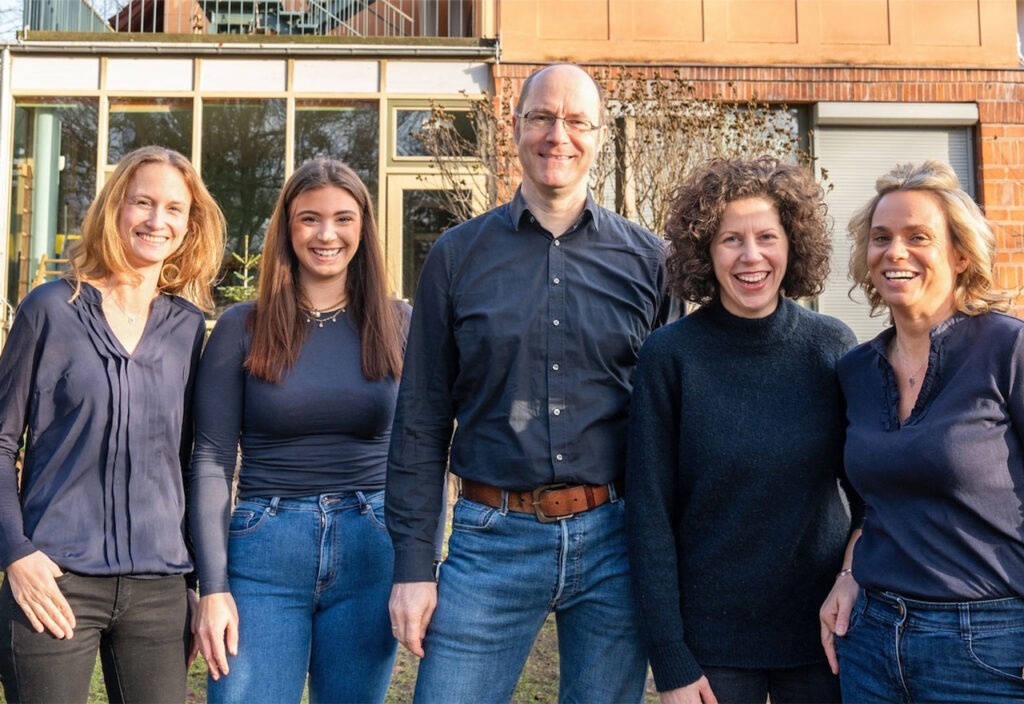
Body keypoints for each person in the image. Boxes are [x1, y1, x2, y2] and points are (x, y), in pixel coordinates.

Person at [386, 63, 667, 703]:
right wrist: (412, 567)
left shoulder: (649, 261)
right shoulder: (456, 257)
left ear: (600, 136)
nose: (556, 135)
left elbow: (668, 420)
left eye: (575, 121)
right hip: (492, 539)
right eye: (541, 117)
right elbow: (422, 419)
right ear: (514, 128)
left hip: (615, 541)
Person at [626, 157, 860, 704]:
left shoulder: (832, 347)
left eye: (766, 237)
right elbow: (649, 514)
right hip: (711, 651)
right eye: (731, 239)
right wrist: (671, 658)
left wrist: (851, 576)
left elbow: (868, 497)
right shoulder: (670, 355)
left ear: (792, 245)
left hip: (823, 637)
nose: (751, 257)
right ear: (705, 251)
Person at [0, 145, 225, 703]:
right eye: (142, 202)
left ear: (189, 224)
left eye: (175, 209)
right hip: (54, 580)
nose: (157, 220)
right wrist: (15, 553)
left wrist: (194, 583)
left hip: (159, 589)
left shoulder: (188, 327)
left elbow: (192, 458)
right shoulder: (49, 309)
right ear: (114, 208)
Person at [189, 159, 408, 704]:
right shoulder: (243, 326)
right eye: (309, 219)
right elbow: (212, 459)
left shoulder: (400, 322)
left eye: (343, 218)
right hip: (264, 549)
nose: (327, 234)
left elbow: (424, 450)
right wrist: (213, 587)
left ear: (364, 228)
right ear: (287, 228)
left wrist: (417, 567)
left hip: (371, 545)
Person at [819, 160, 1024, 702]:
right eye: (881, 238)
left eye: (919, 237)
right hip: (870, 639)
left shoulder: (1009, 350)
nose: (896, 252)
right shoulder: (855, 370)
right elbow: (873, 503)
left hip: (991, 646)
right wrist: (847, 576)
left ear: (960, 255)